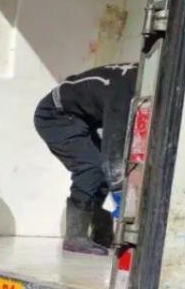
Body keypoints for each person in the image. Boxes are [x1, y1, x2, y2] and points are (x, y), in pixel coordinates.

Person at [33, 63, 138, 256]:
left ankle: (100, 234)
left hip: (79, 119)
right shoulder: (124, 94)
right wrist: (123, 199)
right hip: (54, 116)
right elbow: (113, 153)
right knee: (91, 167)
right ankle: (75, 237)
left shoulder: (137, 78)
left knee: (102, 171)